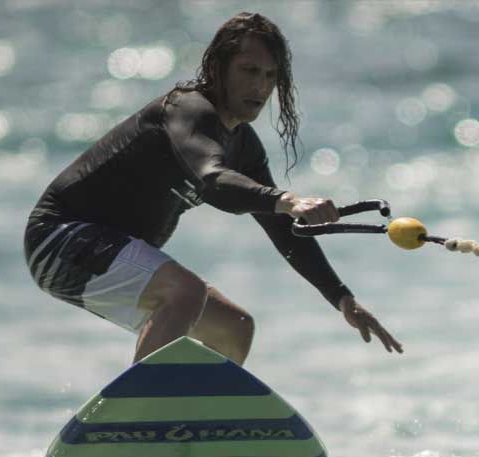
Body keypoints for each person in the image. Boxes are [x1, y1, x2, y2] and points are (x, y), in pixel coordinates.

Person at [24, 11, 402, 365]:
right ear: (219, 68)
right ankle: (138, 418)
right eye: (249, 70)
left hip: (104, 251)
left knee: (234, 328)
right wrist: (287, 199)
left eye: (270, 75)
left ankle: (194, 427)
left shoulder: (245, 146)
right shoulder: (188, 110)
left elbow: (283, 230)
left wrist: (341, 298)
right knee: (184, 293)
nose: (261, 86)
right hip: (60, 238)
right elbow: (214, 180)